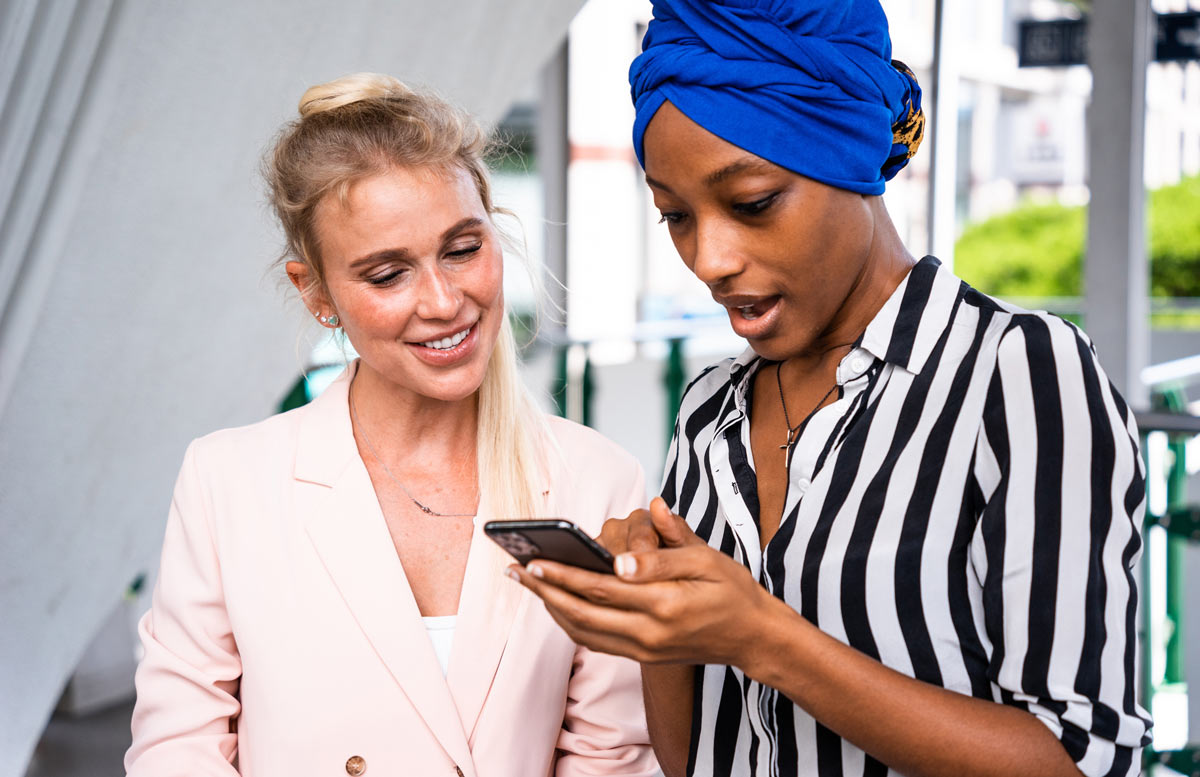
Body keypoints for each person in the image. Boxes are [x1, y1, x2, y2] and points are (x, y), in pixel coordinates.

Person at [510, 3, 1153, 777]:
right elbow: (691, 760)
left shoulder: (1017, 376)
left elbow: (1080, 760)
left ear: (848, 159)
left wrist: (762, 636)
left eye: (751, 203)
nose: (709, 258)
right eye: (675, 216)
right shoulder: (711, 412)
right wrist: (658, 624)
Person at [124, 73, 659, 777]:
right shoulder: (229, 482)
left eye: (463, 249)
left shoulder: (597, 479)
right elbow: (177, 748)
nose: (444, 301)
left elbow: (610, 752)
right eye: (387, 274)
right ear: (314, 291)